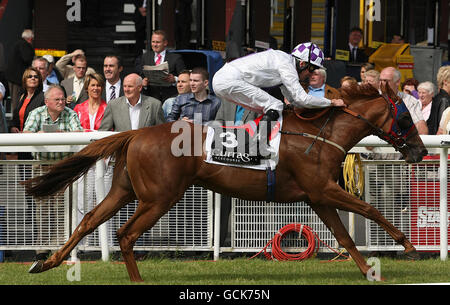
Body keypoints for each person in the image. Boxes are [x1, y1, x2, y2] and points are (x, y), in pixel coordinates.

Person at [212, 42, 345, 156]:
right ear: (302, 63)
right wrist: (331, 102)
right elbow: (302, 99)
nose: (310, 74)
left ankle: (244, 143)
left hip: (223, 80)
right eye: (312, 69)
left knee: (271, 108)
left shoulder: (284, 61)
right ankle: (255, 147)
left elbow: (294, 101)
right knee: (275, 105)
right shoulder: (286, 64)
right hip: (228, 80)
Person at [23, 85, 83, 261]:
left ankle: (60, 249)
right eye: (57, 99)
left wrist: (61, 133)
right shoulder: (36, 113)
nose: (61, 102)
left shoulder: (70, 113)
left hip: (63, 167)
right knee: (42, 210)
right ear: (47, 101)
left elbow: (78, 133)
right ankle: (42, 250)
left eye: (63, 99)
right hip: (42, 167)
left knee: (63, 210)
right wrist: (39, 134)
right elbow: (26, 133)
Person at [99, 73, 165, 131]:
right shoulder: (113, 105)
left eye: (130, 86)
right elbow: (103, 131)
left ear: (139, 88)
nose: (126, 89)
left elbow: (162, 133)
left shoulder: (155, 105)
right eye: (124, 86)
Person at [135, 30, 186, 102]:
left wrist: (175, 79)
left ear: (165, 43)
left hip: (170, 97)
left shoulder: (176, 58)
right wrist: (143, 83)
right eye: (153, 42)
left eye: (158, 42)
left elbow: (185, 77)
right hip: (150, 97)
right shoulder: (145, 57)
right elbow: (139, 76)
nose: (155, 45)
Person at [379, 67, 428, 134]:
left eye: (385, 81)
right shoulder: (371, 99)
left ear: (397, 82)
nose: (381, 84)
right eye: (380, 80)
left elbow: (420, 126)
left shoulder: (410, 101)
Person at [5, 29, 35, 113]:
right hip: (17, 78)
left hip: (12, 76)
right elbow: (27, 58)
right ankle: (17, 118)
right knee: (17, 99)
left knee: (15, 99)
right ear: (30, 39)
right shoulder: (24, 45)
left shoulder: (17, 43)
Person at [432, 66, 450, 135]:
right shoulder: (444, 100)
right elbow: (443, 126)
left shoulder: (438, 97)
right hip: (439, 140)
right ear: (445, 82)